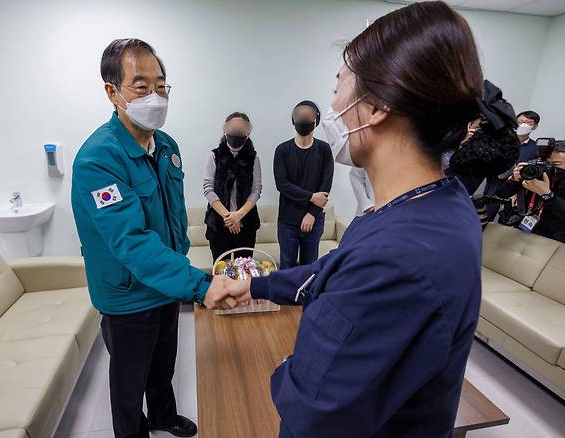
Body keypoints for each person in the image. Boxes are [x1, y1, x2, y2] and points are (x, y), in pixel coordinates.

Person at [210, 2, 519, 436]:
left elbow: (311, 408)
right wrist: (254, 285)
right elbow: (331, 272)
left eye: (339, 86)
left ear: (376, 107)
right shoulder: (429, 204)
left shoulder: (403, 253)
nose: (331, 104)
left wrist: (288, 366)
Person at [71, 38, 233, 438]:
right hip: (128, 293)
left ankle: (163, 415)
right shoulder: (98, 159)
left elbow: (174, 218)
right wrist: (199, 284)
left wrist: (180, 273)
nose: (155, 96)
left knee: (163, 363)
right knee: (129, 378)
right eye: (141, 86)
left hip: (165, 281)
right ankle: (132, 431)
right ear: (113, 92)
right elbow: (132, 241)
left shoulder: (167, 146)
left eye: (161, 85)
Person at [273, 101, 334, 268]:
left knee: (310, 268)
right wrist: (311, 197)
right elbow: (282, 184)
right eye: (299, 116)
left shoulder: (324, 149)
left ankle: (307, 296)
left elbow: (325, 186)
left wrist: (312, 214)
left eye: (308, 116)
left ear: (316, 120)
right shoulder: (282, 150)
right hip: (287, 221)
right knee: (287, 267)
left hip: (314, 221)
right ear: (293, 120)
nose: (303, 119)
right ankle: (285, 296)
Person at [203, 112, 262, 260]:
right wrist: (229, 217)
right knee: (222, 271)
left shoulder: (253, 158)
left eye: (241, 128)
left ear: (248, 132)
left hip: (247, 225)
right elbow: (208, 188)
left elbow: (256, 190)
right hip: (219, 225)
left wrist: (239, 215)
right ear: (225, 130)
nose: (236, 132)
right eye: (233, 128)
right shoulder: (214, 156)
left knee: (245, 271)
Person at [496, 141, 565, 244]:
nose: (549, 167)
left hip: (554, 238)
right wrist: (514, 180)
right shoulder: (533, 169)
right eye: (547, 162)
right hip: (521, 227)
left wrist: (548, 195)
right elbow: (502, 194)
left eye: (556, 164)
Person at [483, 110, 541, 220]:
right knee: (484, 216)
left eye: (528, 122)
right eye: (521, 121)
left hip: (516, 191)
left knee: (505, 221)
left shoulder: (535, 148)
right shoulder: (501, 141)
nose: (523, 125)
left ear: (535, 126)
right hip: (493, 185)